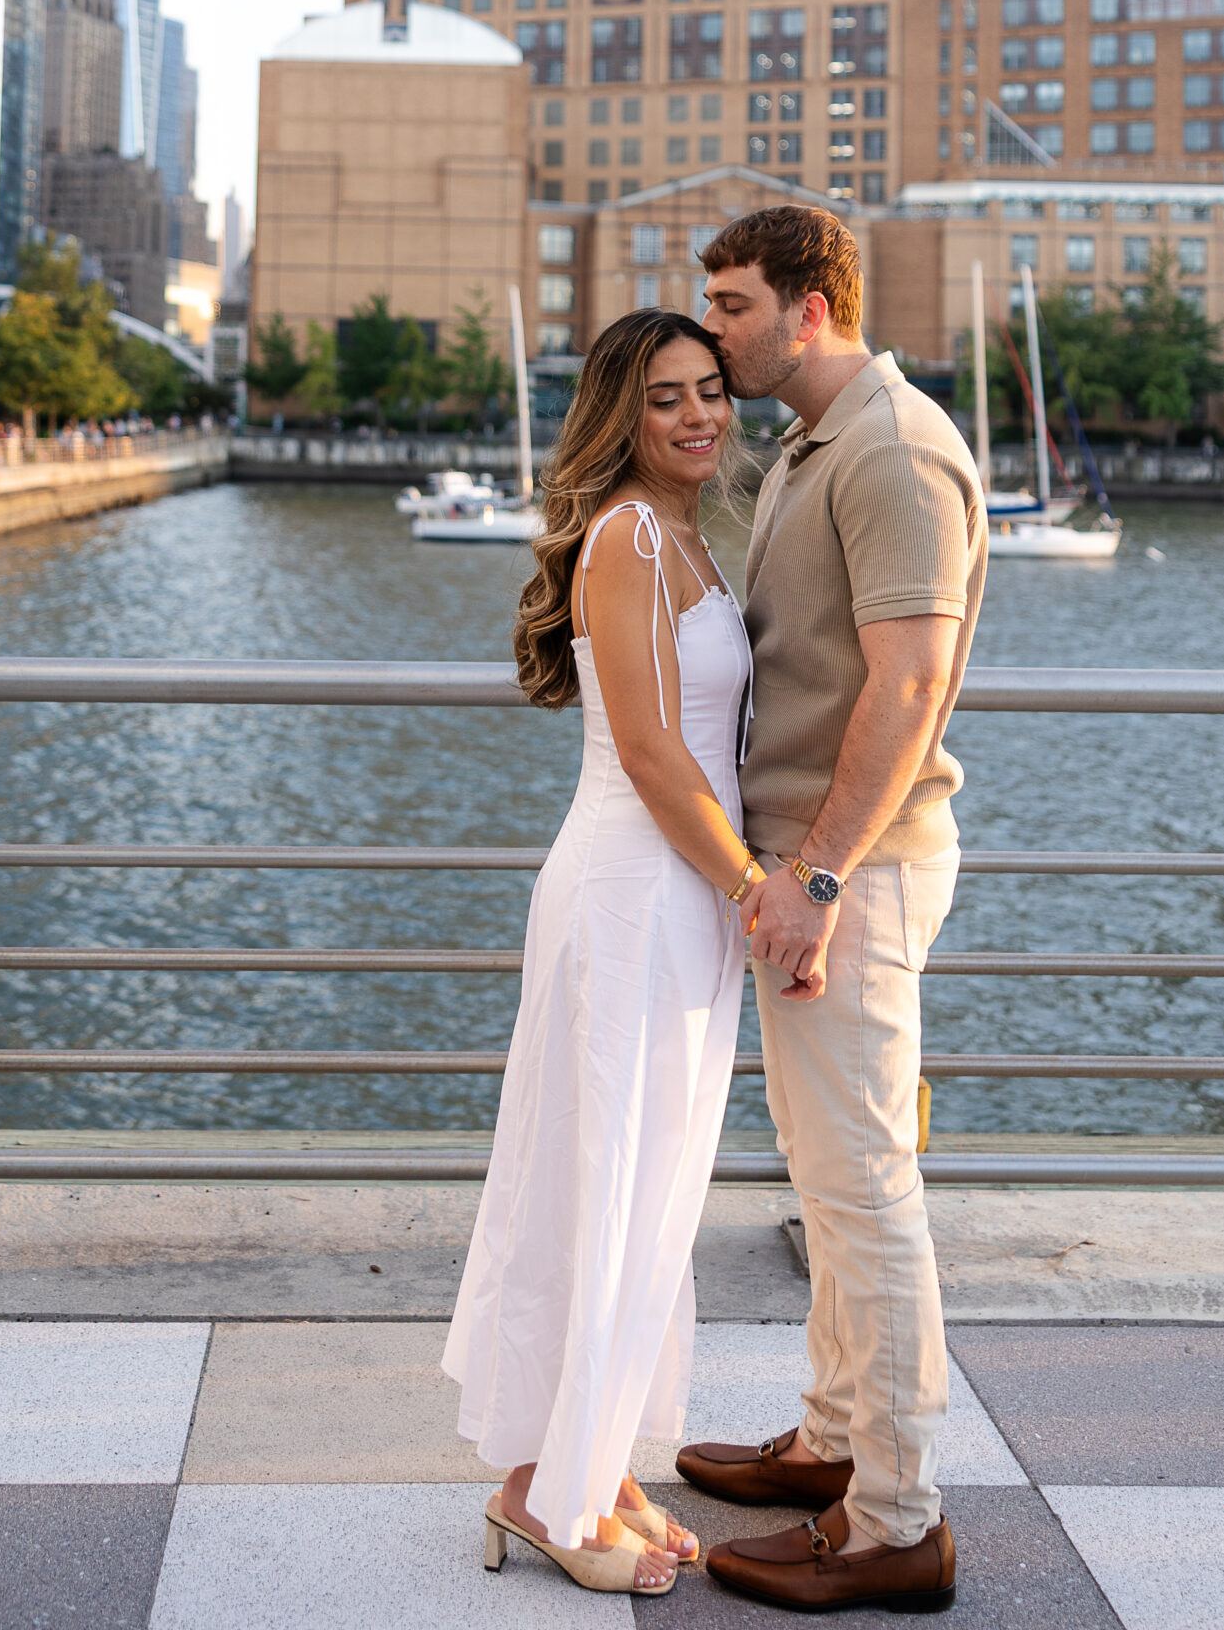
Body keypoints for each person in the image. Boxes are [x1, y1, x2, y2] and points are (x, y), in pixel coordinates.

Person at [682, 202, 986, 1616]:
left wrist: (813, 876)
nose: (716, 325)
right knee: (831, 1181)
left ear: (813, 308)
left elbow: (909, 684)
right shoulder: (817, 442)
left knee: (866, 1197)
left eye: (735, 303)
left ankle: (896, 1519)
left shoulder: (895, 446)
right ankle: (833, 1441)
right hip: (819, 871)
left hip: (848, 874)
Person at [444, 307, 766, 1598]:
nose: (698, 416)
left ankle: (594, 1456)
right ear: (619, 419)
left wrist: (735, 893)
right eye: (665, 400)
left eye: (710, 391)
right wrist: (755, 889)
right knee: (600, 1180)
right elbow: (647, 750)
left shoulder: (689, 531)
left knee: (649, 1187)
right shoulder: (630, 537)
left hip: (682, 897)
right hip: (635, 891)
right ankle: (542, 1492)